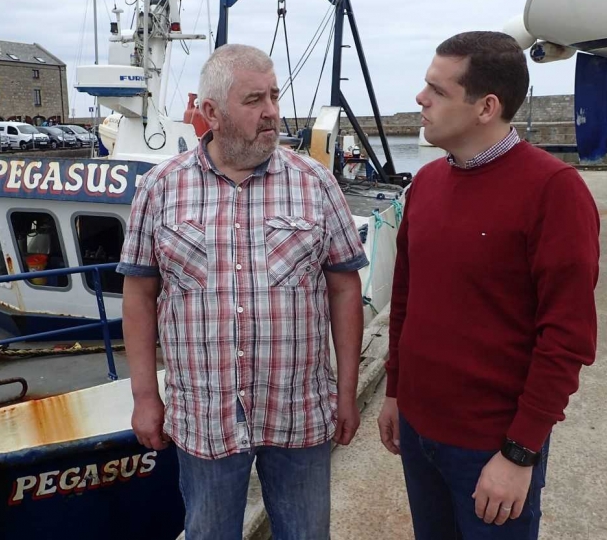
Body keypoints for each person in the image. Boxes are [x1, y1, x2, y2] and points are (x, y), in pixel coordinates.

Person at [117, 44, 369, 540]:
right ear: (210, 112)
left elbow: (344, 288)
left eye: (274, 96)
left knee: (306, 534)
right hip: (204, 417)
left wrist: (346, 392)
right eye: (255, 99)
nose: (272, 111)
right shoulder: (159, 189)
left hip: (299, 412)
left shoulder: (315, 184)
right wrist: (146, 397)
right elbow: (139, 297)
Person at [377, 31, 600, 540]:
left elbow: (568, 337)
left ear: (486, 107)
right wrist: (395, 392)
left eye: (437, 89)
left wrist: (520, 452)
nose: (420, 98)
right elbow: (406, 300)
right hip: (418, 432)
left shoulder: (554, 192)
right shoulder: (428, 184)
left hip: (491, 448)